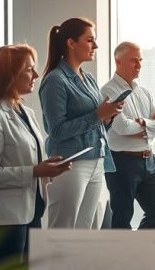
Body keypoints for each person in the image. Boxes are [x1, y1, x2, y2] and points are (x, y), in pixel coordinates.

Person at [0, 44, 71, 270]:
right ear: (9, 75)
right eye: (29, 69)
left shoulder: (25, 111)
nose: (35, 75)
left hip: (29, 212)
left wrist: (46, 168)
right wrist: (35, 171)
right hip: (1, 220)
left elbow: (25, 158)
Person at [39, 17, 121, 230]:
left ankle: (78, 266)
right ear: (71, 43)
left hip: (97, 160)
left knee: (85, 231)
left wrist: (106, 117)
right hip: (70, 163)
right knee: (62, 229)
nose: (96, 46)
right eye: (90, 40)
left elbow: (96, 123)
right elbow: (55, 131)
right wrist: (96, 115)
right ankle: (55, 266)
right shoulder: (55, 80)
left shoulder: (89, 78)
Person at [101, 41, 155, 230]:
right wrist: (150, 125)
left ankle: (139, 252)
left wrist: (143, 123)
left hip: (148, 161)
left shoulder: (144, 92)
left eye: (140, 60)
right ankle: (121, 259)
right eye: (133, 61)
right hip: (121, 163)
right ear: (118, 61)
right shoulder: (109, 91)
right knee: (122, 218)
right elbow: (122, 128)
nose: (139, 65)